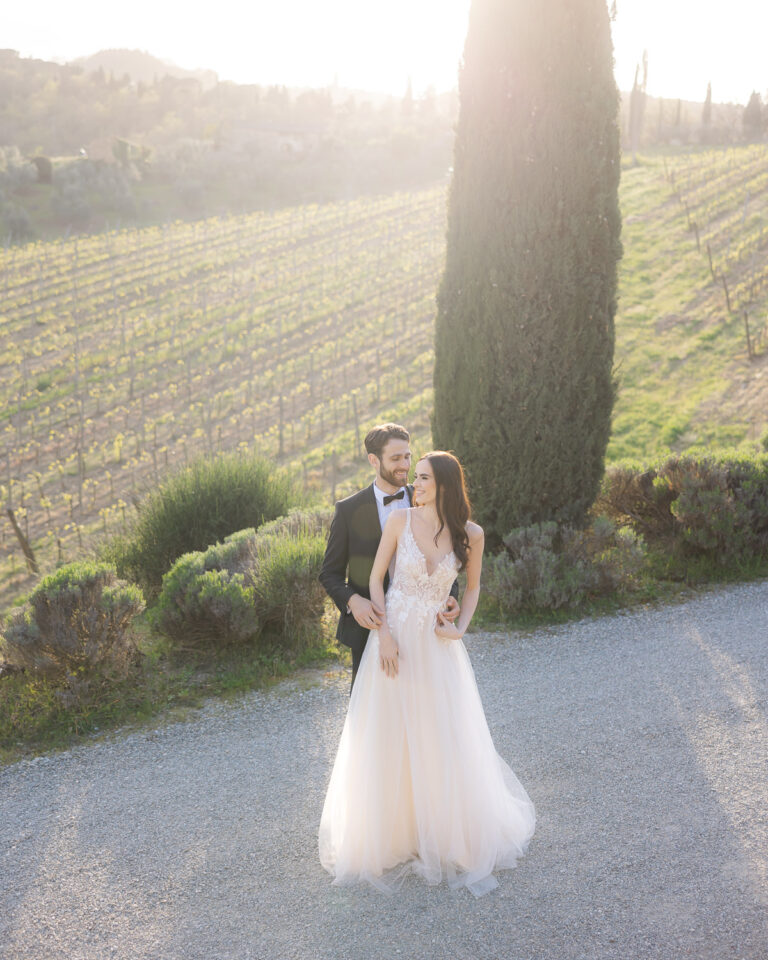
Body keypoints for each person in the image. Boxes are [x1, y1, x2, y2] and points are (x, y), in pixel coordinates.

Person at [318, 451, 536, 897]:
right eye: (413, 476)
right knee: (392, 733)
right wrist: (384, 636)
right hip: (396, 638)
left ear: (445, 484)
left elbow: (472, 588)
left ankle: (442, 832)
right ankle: (396, 834)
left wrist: (460, 628)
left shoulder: (471, 534)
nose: (414, 484)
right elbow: (377, 581)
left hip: (437, 646)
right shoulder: (400, 520)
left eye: (422, 478)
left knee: (439, 732)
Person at [319, 423, 459, 690]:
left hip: (425, 631)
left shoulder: (426, 498)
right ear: (374, 460)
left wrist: (452, 596)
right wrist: (353, 600)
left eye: (407, 456)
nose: (404, 465)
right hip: (371, 628)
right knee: (373, 719)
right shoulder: (348, 510)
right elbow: (329, 573)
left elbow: (446, 557)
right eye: (396, 458)